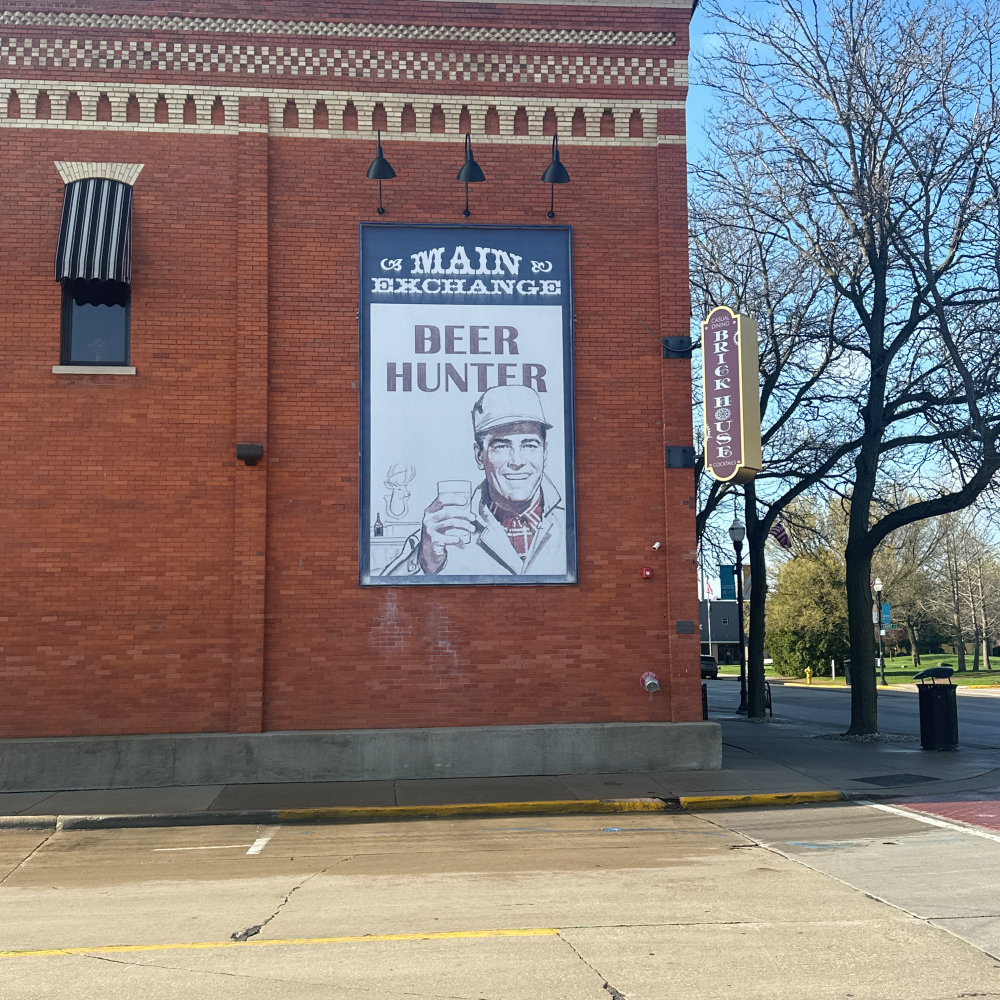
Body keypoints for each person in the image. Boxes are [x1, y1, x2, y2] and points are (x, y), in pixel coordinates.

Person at [382, 384, 567, 577]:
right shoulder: (442, 533)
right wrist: (426, 562)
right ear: (479, 456)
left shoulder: (570, 525)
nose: (517, 461)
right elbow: (383, 593)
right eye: (501, 446)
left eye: (529, 445)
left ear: (545, 452)